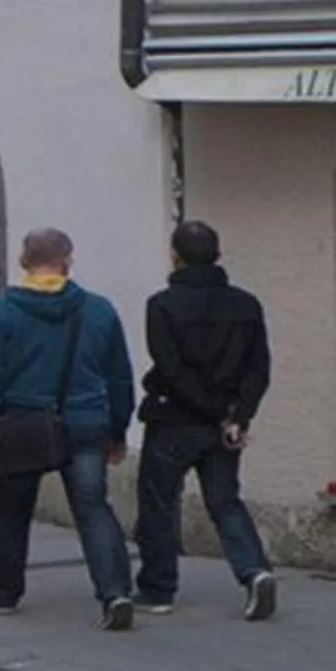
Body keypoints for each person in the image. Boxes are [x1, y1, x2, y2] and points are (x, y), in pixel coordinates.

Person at [0, 227, 140, 629]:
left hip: (24, 424)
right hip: (87, 423)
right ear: (68, 260)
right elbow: (120, 378)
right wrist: (118, 431)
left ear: (22, 263)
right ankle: (116, 591)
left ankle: (2, 592)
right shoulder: (99, 310)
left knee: (12, 511)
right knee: (92, 508)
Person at [134, 220, 278, 620]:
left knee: (159, 501)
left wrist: (214, 411)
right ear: (217, 254)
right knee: (225, 500)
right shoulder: (246, 305)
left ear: (175, 256)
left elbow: (171, 367)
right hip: (225, 425)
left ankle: (158, 588)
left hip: (174, 419)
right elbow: (259, 369)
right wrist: (237, 414)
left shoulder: (161, 305)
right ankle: (253, 571)